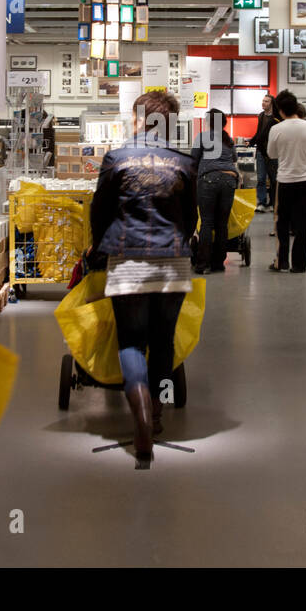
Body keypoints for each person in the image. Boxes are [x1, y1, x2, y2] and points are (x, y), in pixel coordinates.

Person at [90, 91, 197, 467]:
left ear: (137, 118)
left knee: (132, 341)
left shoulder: (116, 159)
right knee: (163, 341)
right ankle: (156, 412)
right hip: (172, 261)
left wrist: (95, 249)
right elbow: (191, 217)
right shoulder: (183, 162)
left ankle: (138, 412)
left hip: (128, 257)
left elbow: (100, 212)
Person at [265, 90, 306, 273]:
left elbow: (271, 154)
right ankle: (299, 264)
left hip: (285, 180)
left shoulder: (276, 129)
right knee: (303, 222)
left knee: (282, 222)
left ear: (280, 110)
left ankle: (282, 261)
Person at [191, 108, 238, 274]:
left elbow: (193, 160)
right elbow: (234, 159)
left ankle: (202, 265)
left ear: (209, 122)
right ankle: (219, 263)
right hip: (229, 180)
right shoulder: (228, 139)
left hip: (209, 179)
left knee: (207, 222)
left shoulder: (202, 137)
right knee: (222, 224)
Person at [253, 94, 278, 213]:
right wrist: (252, 142)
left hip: (273, 153)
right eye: (263, 101)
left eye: (266, 101)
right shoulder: (261, 115)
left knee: (274, 179)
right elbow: (259, 133)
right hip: (261, 152)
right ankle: (261, 202)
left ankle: (273, 203)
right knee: (261, 178)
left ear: (272, 103)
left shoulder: (276, 118)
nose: (263, 103)